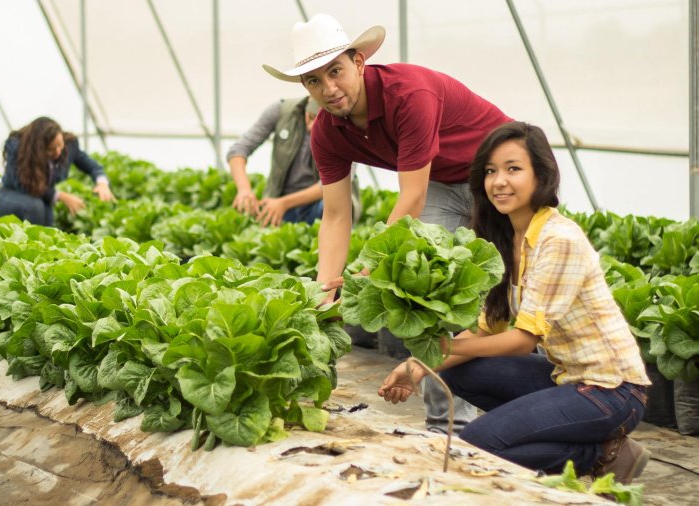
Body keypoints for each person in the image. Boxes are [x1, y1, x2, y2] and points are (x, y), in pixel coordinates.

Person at [264, 13, 512, 433]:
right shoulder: (326, 132)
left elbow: (411, 197)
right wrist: (326, 291)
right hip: (440, 182)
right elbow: (337, 215)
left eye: (336, 71)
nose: (330, 89)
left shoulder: (408, 94)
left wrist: (362, 275)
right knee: (433, 291)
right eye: (314, 81)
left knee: (514, 297)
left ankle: (549, 401)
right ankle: (448, 423)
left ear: (359, 62)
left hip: (496, 177)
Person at [379, 121, 651, 484]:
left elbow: (523, 341)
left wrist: (441, 348)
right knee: (459, 370)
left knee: (477, 443)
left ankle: (601, 454)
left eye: (513, 169)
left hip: (612, 390)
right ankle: (581, 436)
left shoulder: (558, 239)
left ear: (541, 175)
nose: (499, 181)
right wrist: (420, 365)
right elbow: (485, 327)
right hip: (566, 377)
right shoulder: (506, 238)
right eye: (490, 171)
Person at [227, 97, 360, 226]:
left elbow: (339, 180)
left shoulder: (347, 127)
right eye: (311, 117)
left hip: (319, 206)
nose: (311, 127)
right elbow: (238, 149)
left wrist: (284, 203)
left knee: (334, 204)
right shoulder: (281, 111)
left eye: (320, 121)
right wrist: (244, 190)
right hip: (280, 203)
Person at [0, 116, 115, 227]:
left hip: (39, 197)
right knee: (35, 207)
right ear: (38, 148)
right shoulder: (18, 148)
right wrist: (62, 196)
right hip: (10, 194)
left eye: (60, 145)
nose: (58, 151)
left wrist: (102, 184)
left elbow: (93, 167)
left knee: (47, 216)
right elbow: (24, 185)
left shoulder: (69, 146)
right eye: (51, 149)